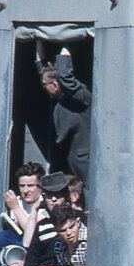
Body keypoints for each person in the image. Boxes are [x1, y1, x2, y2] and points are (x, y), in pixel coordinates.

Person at [40, 53, 92, 184]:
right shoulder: (59, 100)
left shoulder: (80, 98)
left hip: (84, 162)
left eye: (45, 85)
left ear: (56, 85)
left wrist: (64, 54)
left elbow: (66, 78)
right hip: (71, 159)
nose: (44, 88)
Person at [0, 162, 46, 251]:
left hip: (39, 245)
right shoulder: (17, 200)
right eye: (22, 186)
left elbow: (33, 234)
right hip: (20, 242)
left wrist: (15, 208)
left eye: (30, 186)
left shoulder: (45, 203)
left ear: (40, 186)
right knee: (2, 237)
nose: (25, 191)